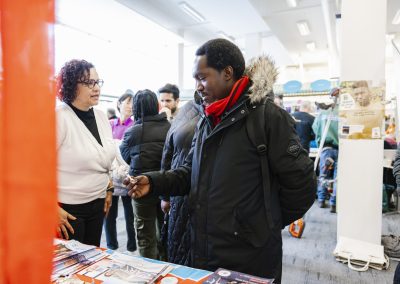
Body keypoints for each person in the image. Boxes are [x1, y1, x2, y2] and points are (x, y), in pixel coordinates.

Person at [124, 39, 316, 281]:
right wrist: (154, 182)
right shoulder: (208, 119)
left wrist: (262, 224)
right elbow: (189, 172)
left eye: (202, 78)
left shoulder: (268, 118)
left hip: (249, 256)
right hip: (204, 248)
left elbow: (303, 186)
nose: (198, 87)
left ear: (227, 73)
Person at [56, 59, 116, 246]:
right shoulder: (59, 117)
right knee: (71, 268)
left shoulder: (100, 116)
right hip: (69, 210)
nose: (96, 88)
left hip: (98, 204)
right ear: (72, 86)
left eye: (98, 82)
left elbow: (105, 158)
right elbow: (35, 167)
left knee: (92, 260)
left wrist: (108, 188)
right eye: (89, 83)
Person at [120, 89, 171, 259]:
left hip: (139, 186)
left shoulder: (132, 132)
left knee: (144, 234)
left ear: (136, 108)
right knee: (165, 231)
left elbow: (125, 155)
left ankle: (149, 271)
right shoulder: (169, 128)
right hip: (166, 185)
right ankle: (167, 270)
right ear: (156, 106)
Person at [160, 98, 202, 265]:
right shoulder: (186, 111)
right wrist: (165, 195)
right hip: (181, 193)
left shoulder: (184, 112)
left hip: (187, 195)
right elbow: (167, 154)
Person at [104, 92, 137, 252]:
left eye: (132, 103)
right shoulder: (110, 124)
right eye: (127, 102)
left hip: (126, 174)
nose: (130, 106)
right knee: (109, 213)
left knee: (130, 215)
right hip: (110, 173)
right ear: (119, 104)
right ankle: (111, 245)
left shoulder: (135, 124)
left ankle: (132, 246)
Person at [312, 88, 339, 213]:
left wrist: (319, 143)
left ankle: (322, 200)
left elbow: (315, 129)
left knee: (323, 175)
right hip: (341, 149)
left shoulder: (323, 112)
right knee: (337, 177)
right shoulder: (343, 112)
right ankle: (334, 203)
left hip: (326, 148)